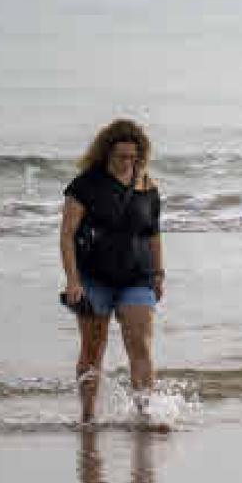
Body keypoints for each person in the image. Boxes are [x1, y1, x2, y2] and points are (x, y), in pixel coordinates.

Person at [59, 119, 166, 424]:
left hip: (138, 277)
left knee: (141, 345)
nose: (127, 162)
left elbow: (154, 233)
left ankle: (145, 413)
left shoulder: (147, 184)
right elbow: (67, 234)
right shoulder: (85, 185)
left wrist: (159, 274)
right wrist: (73, 280)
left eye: (133, 157)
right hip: (94, 278)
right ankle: (88, 416)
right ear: (106, 153)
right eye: (121, 156)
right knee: (93, 349)